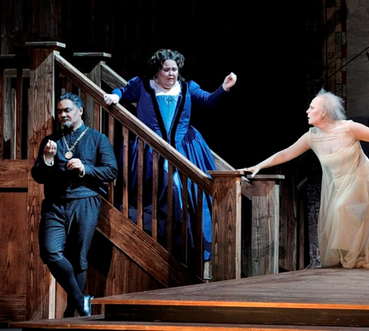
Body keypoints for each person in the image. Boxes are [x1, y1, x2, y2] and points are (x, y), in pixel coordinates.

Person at [241, 88, 369, 269]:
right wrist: (258, 165)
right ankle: (356, 256)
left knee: (341, 208)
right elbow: (285, 154)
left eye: (312, 108)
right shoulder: (312, 136)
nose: (307, 111)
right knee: (337, 215)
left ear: (324, 112)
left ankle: (354, 257)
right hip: (341, 183)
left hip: (362, 177)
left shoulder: (348, 128)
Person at [103, 48, 237, 261]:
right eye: (167, 70)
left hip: (185, 148)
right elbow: (122, 91)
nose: (171, 74)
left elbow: (209, 100)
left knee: (188, 192)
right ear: (157, 70)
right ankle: (166, 242)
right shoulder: (143, 85)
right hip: (150, 149)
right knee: (163, 188)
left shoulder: (187, 87)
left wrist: (224, 88)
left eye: (175, 69)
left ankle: (190, 245)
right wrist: (114, 96)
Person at [31, 93, 118, 317]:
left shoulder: (97, 139)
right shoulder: (51, 141)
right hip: (55, 205)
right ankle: (80, 299)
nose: (63, 115)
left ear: (80, 111)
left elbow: (111, 171)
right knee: (50, 251)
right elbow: (38, 176)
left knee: (79, 258)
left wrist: (85, 168)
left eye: (67, 110)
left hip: (85, 202)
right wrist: (48, 160)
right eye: (60, 111)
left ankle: (71, 310)